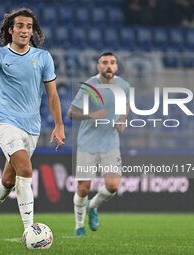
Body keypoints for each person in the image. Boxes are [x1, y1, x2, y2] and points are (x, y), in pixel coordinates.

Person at [0, 8, 65, 240]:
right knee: (25, 169)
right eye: (20, 26)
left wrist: (59, 124)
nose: (24, 30)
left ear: (33, 31)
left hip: (32, 127)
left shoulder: (43, 58)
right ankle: (31, 230)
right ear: (10, 30)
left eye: (29, 26)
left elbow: (52, 95)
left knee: (8, 180)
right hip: (4, 119)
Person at [68, 52, 130, 236]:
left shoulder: (124, 86)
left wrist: (123, 119)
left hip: (110, 143)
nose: (108, 66)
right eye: (105, 63)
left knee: (112, 186)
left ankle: (93, 207)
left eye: (112, 63)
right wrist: (91, 115)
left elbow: (126, 104)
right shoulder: (89, 86)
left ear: (116, 67)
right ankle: (79, 226)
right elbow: (72, 113)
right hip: (87, 143)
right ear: (98, 66)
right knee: (83, 188)